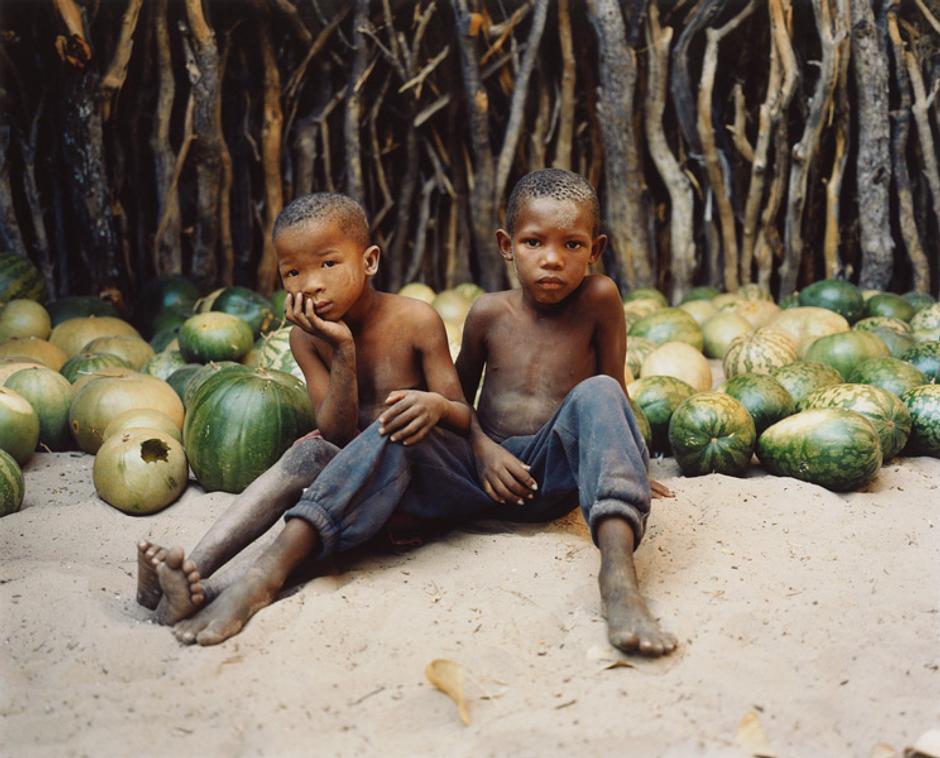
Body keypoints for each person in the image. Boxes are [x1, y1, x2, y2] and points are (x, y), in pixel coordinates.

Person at [168, 169, 675, 656]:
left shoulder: (600, 296)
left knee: (599, 391)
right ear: (506, 246)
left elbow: (615, 387)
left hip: (550, 471)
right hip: (475, 480)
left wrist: (627, 459)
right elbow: (460, 403)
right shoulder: (486, 313)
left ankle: (618, 577)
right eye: (533, 243)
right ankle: (263, 576)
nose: (551, 260)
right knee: (402, 419)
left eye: (573, 246)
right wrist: (482, 451)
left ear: (596, 250)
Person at [136, 192, 470, 628]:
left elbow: (464, 417)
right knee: (309, 451)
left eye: (328, 264)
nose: (310, 283)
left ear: (369, 261)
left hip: (417, 487)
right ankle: (188, 574)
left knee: (382, 433)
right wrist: (343, 350)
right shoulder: (306, 338)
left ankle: (236, 585)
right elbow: (334, 433)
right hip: (351, 480)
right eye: (293, 272)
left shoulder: (416, 320)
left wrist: (434, 405)